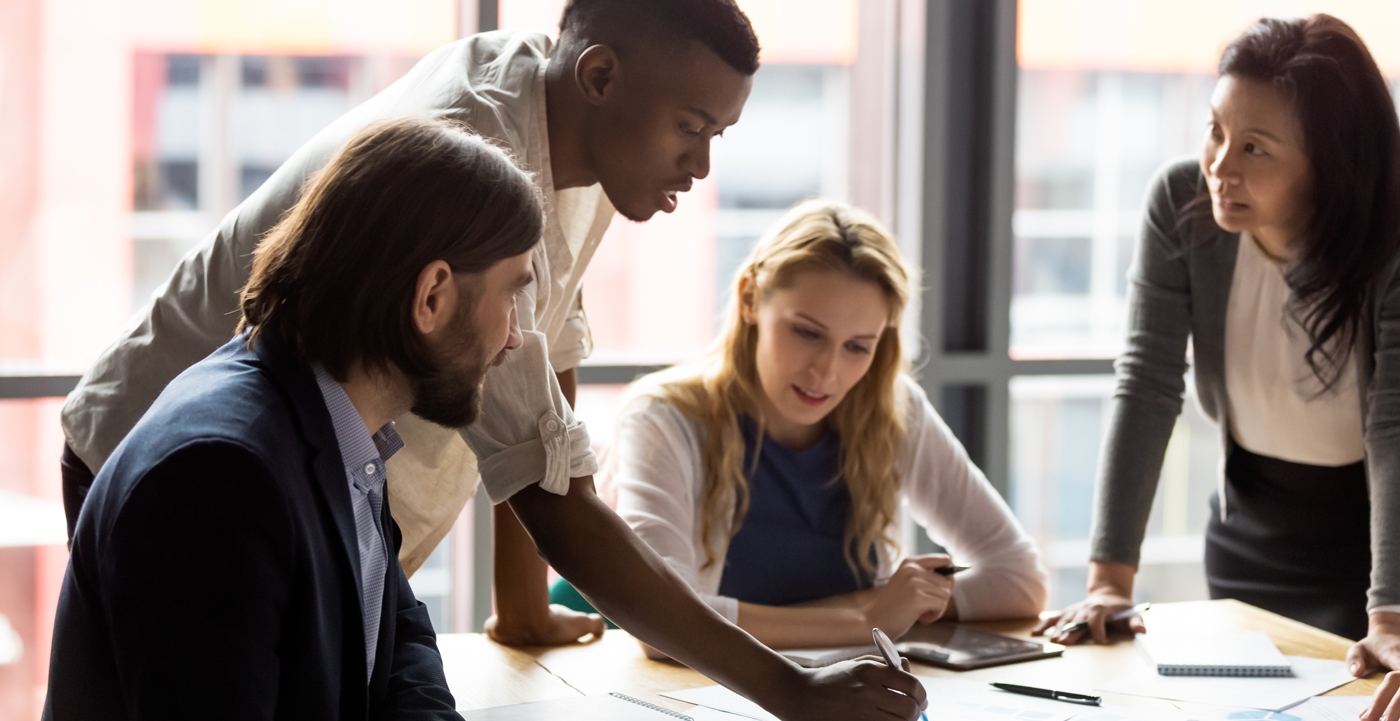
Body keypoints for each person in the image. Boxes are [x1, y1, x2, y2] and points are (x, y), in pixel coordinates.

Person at [44, 118, 930, 721]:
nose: (517, 341)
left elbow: (399, 655)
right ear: (432, 294)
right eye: (514, 297)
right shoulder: (223, 476)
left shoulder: (333, 429)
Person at [57, 0, 759, 646]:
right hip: (182, 471)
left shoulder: (582, 119)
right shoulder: (478, 156)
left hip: (324, 498)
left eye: (717, 135)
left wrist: (521, 605)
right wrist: (796, 694)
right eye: (691, 128)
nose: (700, 164)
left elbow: (547, 359)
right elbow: (561, 509)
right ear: (600, 75)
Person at [1034, 13, 1400, 683]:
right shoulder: (1181, 204)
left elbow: (1395, 424)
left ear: (1332, 160)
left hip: (1383, 559)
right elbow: (1147, 381)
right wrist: (1109, 581)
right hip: (1248, 535)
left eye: (1254, 148)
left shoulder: (1389, 242)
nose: (1219, 166)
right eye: (1215, 130)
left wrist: (1392, 618)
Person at [587, 199, 1045, 651]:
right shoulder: (663, 420)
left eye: (857, 347)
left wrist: (906, 604)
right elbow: (663, 622)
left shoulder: (892, 409)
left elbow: (1020, 578)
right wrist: (868, 617)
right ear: (750, 298)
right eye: (807, 333)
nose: (826, 373)